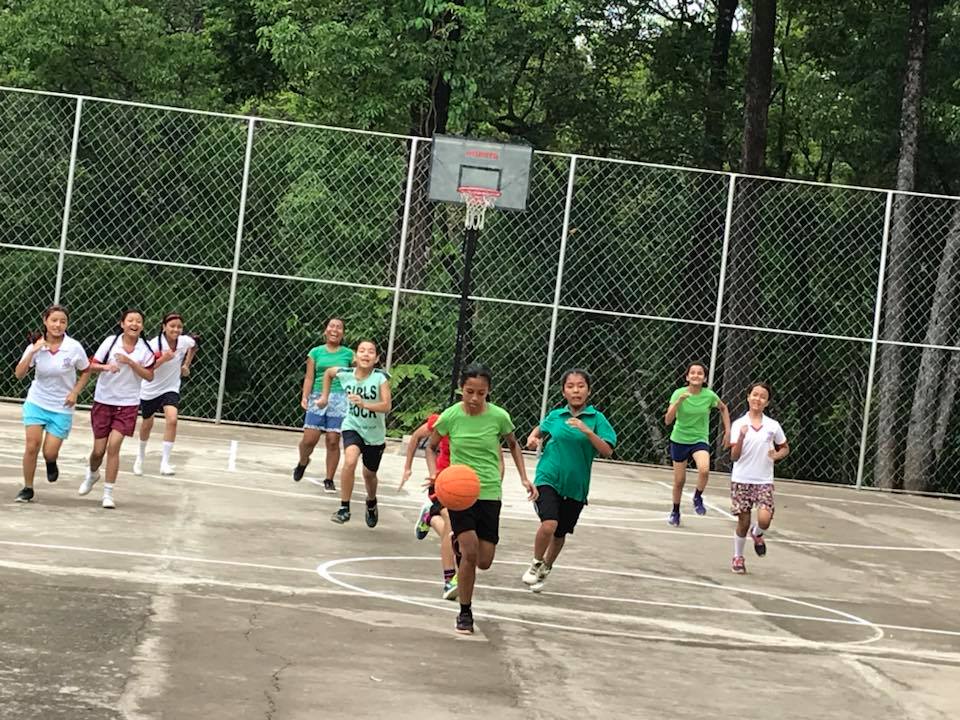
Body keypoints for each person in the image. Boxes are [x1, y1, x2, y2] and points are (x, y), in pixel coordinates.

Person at [427, 364, 537, 635]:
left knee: (484, 560)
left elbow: (513, 444)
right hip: (459, 494)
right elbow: (429, 446)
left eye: (481, 393)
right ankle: (465, 612)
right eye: (469, 392)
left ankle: (458, 545)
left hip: (488, 491)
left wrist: (524, 477)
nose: (475, 398)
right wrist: (435, 476)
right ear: (461, 389)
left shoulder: (499, 416)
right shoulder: (451, 416)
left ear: (488, 392)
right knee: (470, 551)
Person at [523, 369, 615, 592]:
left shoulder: (596, 419)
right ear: (564, 391)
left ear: (588, 390)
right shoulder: (556, 416)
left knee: (560, 532)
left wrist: (588, 432)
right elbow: (540, 430)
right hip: (548, 477)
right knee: (549, 524)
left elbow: (608, 450)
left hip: (576, 486)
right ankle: (536, 563)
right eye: (571, 386)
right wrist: (533, 438)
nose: (576, 390)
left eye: (581, 385)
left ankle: (547, 566)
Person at [78, 309, 156, 509]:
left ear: (142, 326)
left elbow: (149, 376)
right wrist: (106, 367)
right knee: (98, 451)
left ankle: (108, 493)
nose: (134, 324)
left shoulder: (145, 349)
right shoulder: (111, 342)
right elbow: (90, 365)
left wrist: (131, 363)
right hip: (103, 401)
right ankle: (93, 473)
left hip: (128, 404)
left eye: (139, 321)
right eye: (130, 320)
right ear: (122, 324)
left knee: (114, 447)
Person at [12, 305, 91, 503]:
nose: (58, 325)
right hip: (37, 402)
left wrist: (75, 392)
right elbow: (19, 374)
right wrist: (33, 352)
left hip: (61, 407)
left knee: (49, 451)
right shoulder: (36, 347)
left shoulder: (73, 347)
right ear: (45, 321)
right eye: (54, 320)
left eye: (62, 321)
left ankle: (51, 462)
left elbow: (86, 370)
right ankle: (28, 488)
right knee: (32, 445)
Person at [322, 340, 391, 527]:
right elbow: (328, 373)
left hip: (374, 434)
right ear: (355, 356)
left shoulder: (380, 378)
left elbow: (386, 406)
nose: (366, 354)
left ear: (376, 359)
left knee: (369, 474)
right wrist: (324, 397)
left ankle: (371, 501)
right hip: (352, 425)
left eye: (370, 352)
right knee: (350, 460)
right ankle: (344, 507)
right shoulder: (345, 374)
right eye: (362, 351)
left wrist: (365, 404)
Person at [729, 382, 789, 574]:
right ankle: (738, 556)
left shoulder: (773, 426)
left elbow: (784, 447)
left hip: (763, 480)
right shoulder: (739, 424)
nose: (758, 399)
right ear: (748, 397)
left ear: (767, 402)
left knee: (764, 519)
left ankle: (757, 533)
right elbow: (734, 456)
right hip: (742, 478)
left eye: (762, 397)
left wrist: (777, 455)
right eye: (754, 395)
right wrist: (740, 438)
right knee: (743, 522)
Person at [400, 413, 459, 600]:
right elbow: (417, 436)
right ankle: (450, 579)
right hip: (442, 481)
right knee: (450, 520)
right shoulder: (444, 420)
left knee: (459, 533)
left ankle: (430, 517)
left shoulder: (486, 424)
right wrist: (408, 467)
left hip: (468, 483)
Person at [664, 361, 731, 526]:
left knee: (704, 469)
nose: (696, 375)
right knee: (679, 481)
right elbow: (667, 420)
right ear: (687, 377)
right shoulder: (678, 393)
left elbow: (723, 408)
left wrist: (728, 430)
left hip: (699, 439)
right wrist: (679, 402)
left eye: (700, 373)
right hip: (679, 439)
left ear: (704, 378)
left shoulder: (709, 396)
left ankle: (697, 496)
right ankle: (675, 511)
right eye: (692, 372)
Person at [134, 311, 198, 476]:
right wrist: (163, 359)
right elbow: (146, 369)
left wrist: (186, 365)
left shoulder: (184, 341)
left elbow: (195, 344)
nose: (176, 329)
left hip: (171, 387)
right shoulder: (154, 345)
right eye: (172, 326)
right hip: (150, 389)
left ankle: (165, 463)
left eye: (179, 327)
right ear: (164, 327)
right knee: (147, 424)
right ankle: (140, 457)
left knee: (172, 419)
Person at [294, 318, 354, 492]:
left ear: (343, 333)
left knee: (333, 440)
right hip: (318, 396)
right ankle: (303, 461)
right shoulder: (315, 352)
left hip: (340, 398)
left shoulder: (349, 354)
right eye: (332, 326)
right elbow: (309, 377)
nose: (335, 330)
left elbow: (359, 374)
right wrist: (305, 396)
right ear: (325, 330)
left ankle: (329, 478)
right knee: (309, 439)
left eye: (339, 327)